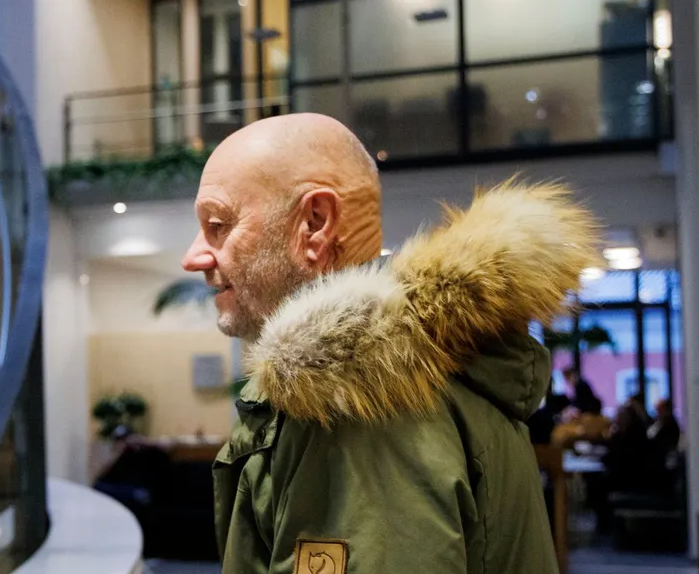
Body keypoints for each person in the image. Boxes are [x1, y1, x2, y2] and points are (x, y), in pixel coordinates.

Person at [180, 114, 601, 574]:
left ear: (315, 224)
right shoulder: (409, 373)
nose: (193, 256)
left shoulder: (362, 400)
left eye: (218, 224)